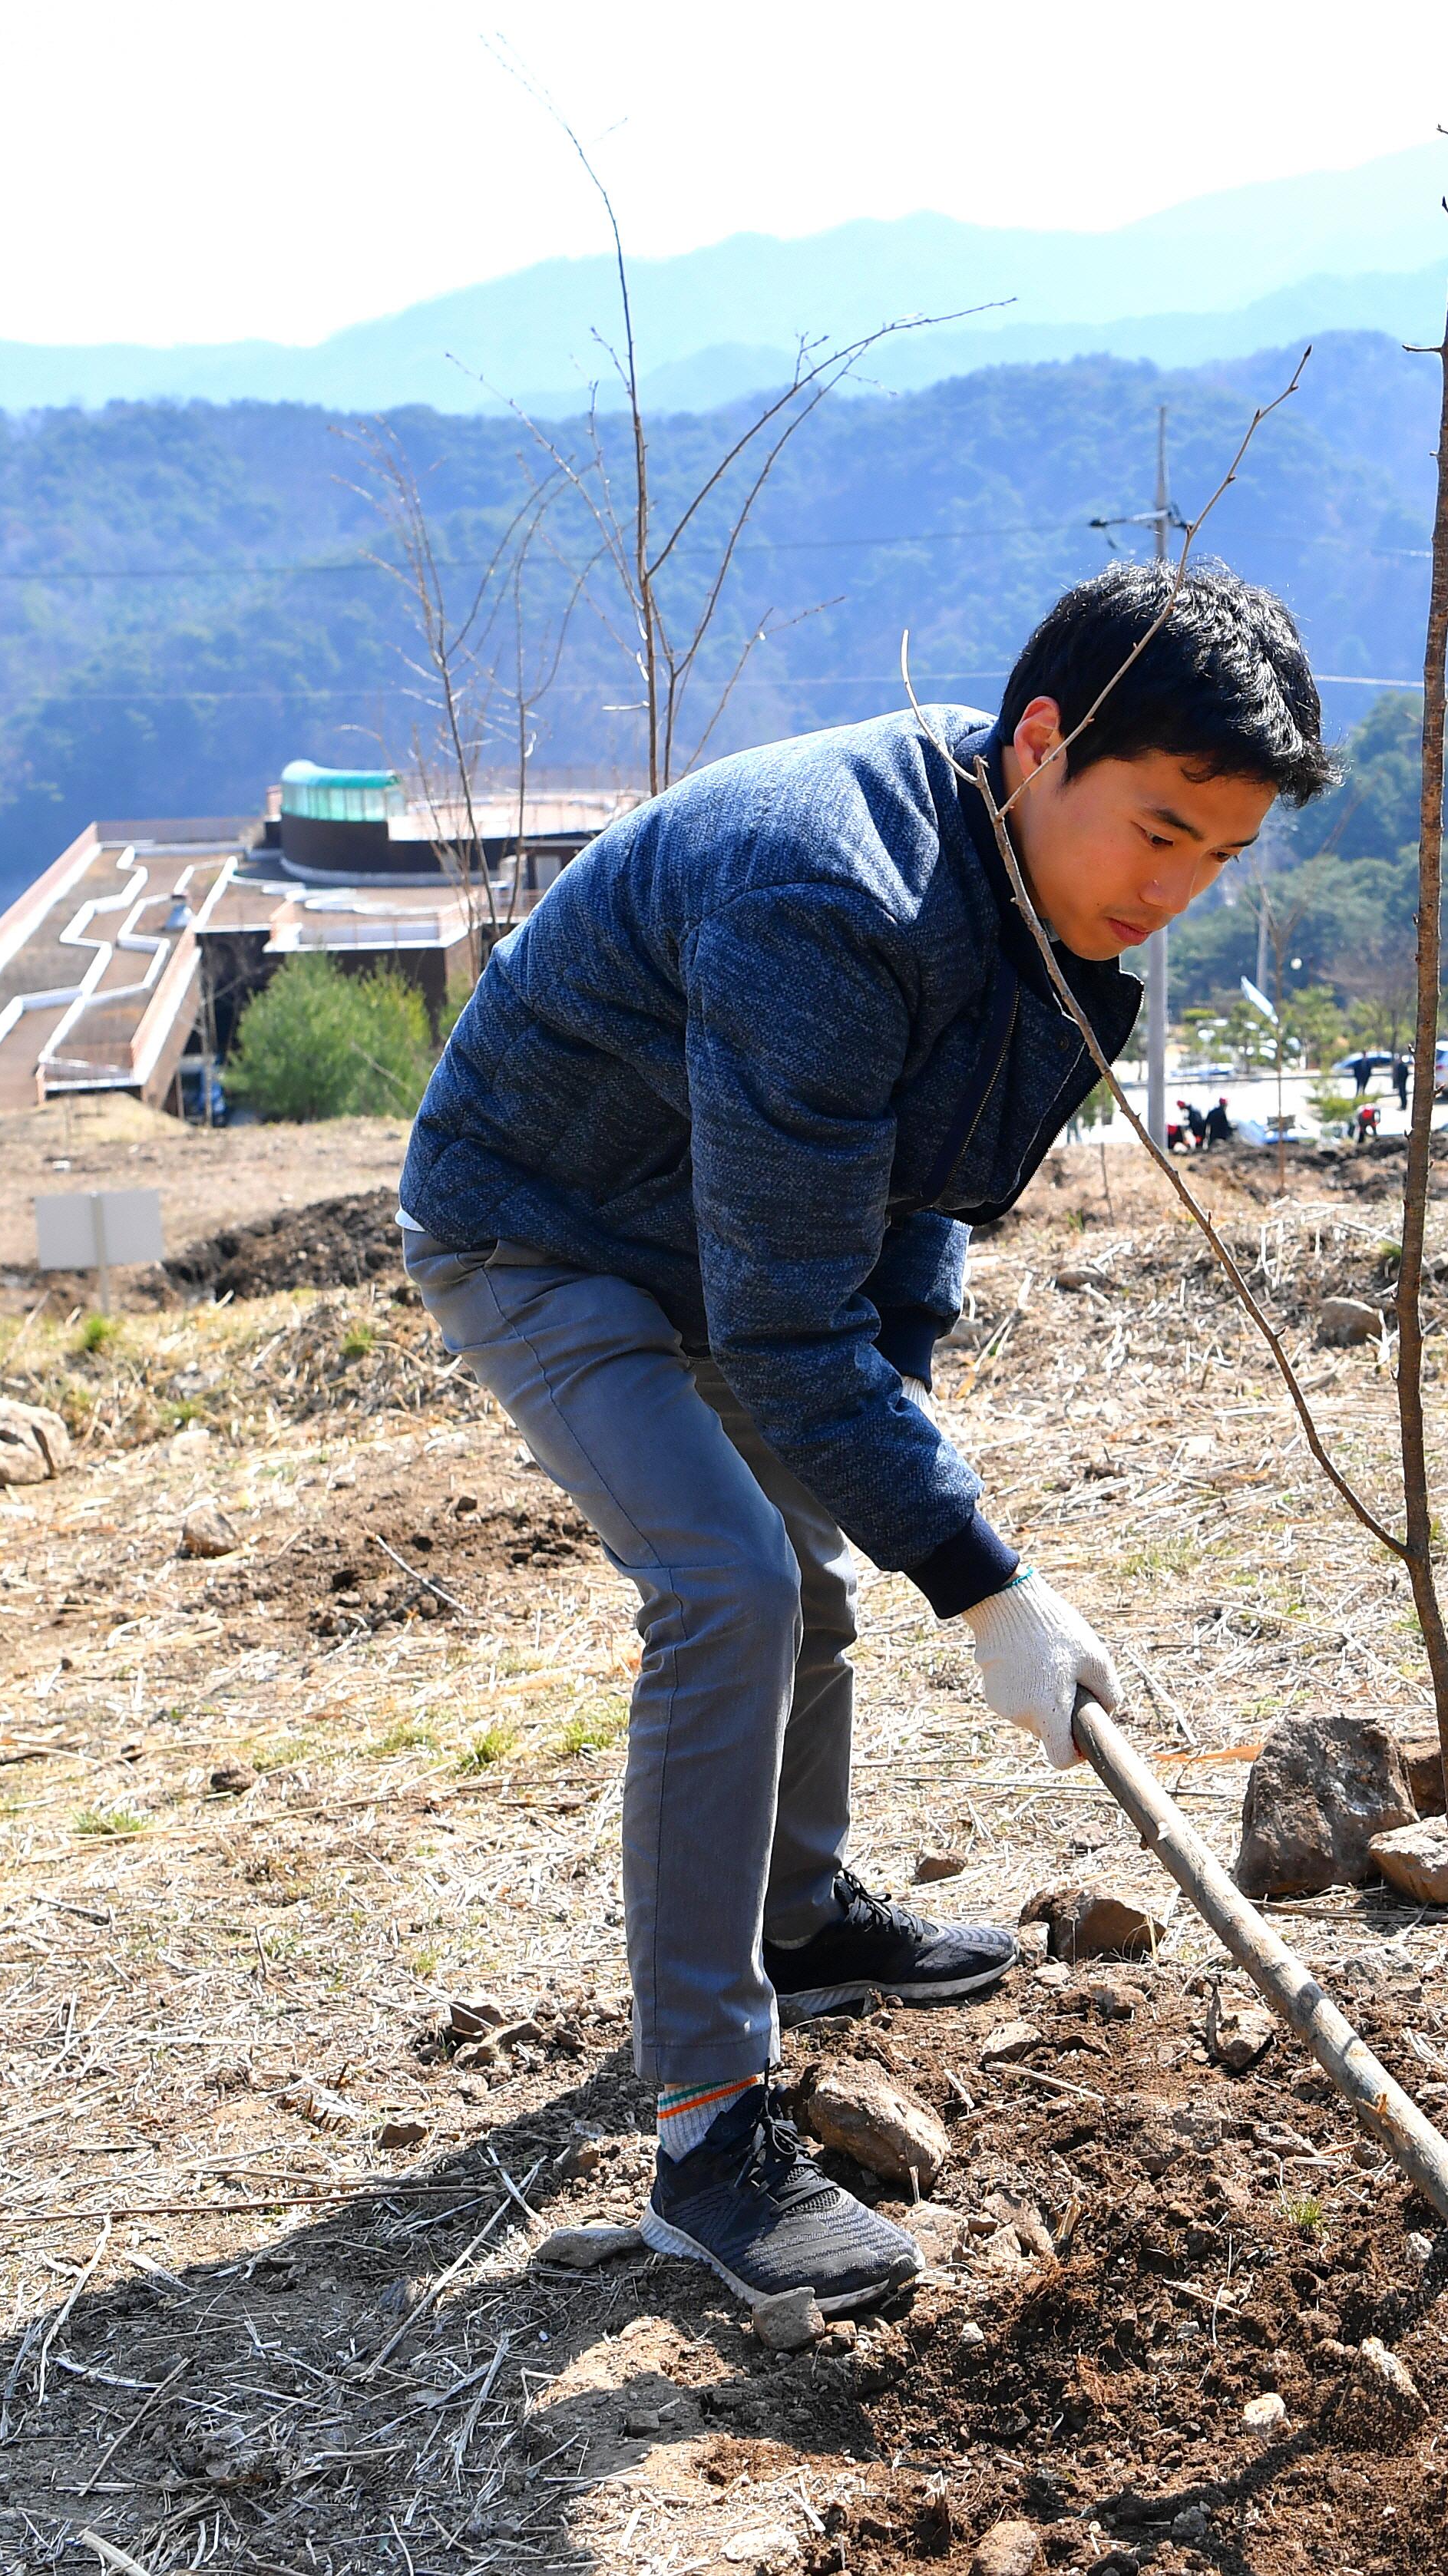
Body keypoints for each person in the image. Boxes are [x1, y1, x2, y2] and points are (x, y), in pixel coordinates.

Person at [398, 562, 1336, 2310]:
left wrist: (889, 1438)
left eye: (1220, 855)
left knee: (811, 1561)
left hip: (731, 1227)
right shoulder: (829, 890)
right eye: (1158, 830)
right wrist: (988, 1581)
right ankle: (706, 2136)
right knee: (731, 1582)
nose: (1175, 889)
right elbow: (784, 1325)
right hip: (548, 1222)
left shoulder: (1029, 890)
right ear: (1039, 740)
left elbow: (918, 1198)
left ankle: (798, 1921)